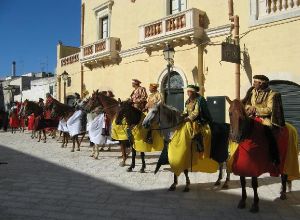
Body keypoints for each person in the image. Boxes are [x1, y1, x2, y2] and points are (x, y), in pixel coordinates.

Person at [242, 74, 282, 165]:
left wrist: (255, 109)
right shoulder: (252, 91)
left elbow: (269, 109)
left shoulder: (271, 94)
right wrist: (249, 108)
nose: (253, 83)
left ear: (261, 83)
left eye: (255, 82)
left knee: (269, 132)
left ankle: (274, 157)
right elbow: (247, 103)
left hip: (265, 118)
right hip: (252, 117)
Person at [182, 85, 213, 152]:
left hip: (199, 119)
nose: (187, 93)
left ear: (193, 92)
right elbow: (185, 111)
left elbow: (196, 112)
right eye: (187, 91)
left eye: (189, 92)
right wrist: (181, 116)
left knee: (195, 129)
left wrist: (188, 118)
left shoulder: (199, 100)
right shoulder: (188, 101)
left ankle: (199, 146)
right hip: (189, 119)